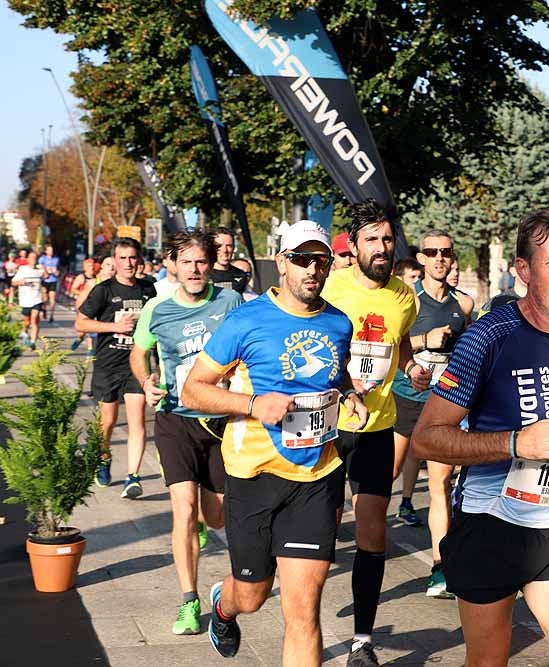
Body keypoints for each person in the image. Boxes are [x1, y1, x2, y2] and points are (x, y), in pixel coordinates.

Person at [412, 209, 549, 667]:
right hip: (492, 523)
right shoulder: (489, 337)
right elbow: (428, 440)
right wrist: (515, 444)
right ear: (523, 270)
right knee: (487, 661)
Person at [180, 219, 368, 664]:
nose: (312, 269)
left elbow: (332, 374)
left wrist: (350, 395)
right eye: (302, 259)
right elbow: (193, 389)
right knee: (253, 594)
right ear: (282, 262)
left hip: (315, 475)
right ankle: (224, 607)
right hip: (254, 477)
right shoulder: (246, 321)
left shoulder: (339, 323)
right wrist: (252, 404)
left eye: (320, 260)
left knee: (304, 613)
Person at [320, 200, 428, 667]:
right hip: (325, 426)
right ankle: (304, 621)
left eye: (387, 239)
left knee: (372, 533)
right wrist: (343, 384)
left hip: (378, 426)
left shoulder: (406, 296)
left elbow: (398, 343)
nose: (382, 248)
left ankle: (362, 640)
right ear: (354, 245)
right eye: (372, 240)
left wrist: (413, 368)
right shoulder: (330, 286)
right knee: (322, 533)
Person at [130, 231, 244, 636]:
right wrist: (146, 382)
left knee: (214, 517)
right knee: (182, 508)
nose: (195, 270)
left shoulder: (229, 302)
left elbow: (245, 348)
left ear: (210, 264)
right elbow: (138, 352)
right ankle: (189, 602)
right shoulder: (157, 309)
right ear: (172, 265)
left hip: (217, 422)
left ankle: (199, 522)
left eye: (201, 262)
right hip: (174, 418)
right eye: (187, 262)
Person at [391, 231, 474, 598]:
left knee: (441, 485)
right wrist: (425, 343)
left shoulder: (465, 304)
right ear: (421, 259)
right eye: (432, 253)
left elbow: (470, 350)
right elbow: (391, 344)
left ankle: (440, 569)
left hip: (441, 405)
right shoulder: (407, 299)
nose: (440, 258)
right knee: (386, 475)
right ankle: (366, 543)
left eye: (446, 252)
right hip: (404, 399)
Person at [76, 238, 156, 497]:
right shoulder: (104, 290)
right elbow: (81, 323)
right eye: (123, 258)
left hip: (137, 365)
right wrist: (114, 327)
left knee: (137, 422)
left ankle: (132, 477)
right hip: (108, 364)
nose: (129, 263)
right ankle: (103, 457)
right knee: (107, 421)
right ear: (115, 261)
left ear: (139, 260)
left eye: (133, 257)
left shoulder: (149, 289)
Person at [69, 258, 100, 352]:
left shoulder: (97, 277)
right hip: (82, 305)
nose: (91, 268)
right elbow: (73, 289)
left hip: (94, 305)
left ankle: (90, 350)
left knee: (92, 328)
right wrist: (84, 293)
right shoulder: (81, 277)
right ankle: (80, 339)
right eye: (89, 266)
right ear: (85, 268)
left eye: (92, 266)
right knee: (83, 330)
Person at [13, 258, 45, 350]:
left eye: (35, 258)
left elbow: (47, 277)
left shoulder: (40, 269)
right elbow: (13, 282)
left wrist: (44, 269)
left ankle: (33, 342)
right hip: (25, 299)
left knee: (34, 319)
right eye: (32, 258)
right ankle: (24, 332)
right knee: (26, 321)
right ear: (28, 260)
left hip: (37, 298)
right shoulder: (23, 269)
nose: (34, 260)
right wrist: (20, 282)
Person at [209, 227, 249, 294]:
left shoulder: (240, 276)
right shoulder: (203, 274)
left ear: (233, 248)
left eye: (229, 246)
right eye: (219, 246)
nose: (225, 250)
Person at [38, 244, 61, 322]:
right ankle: (44, 309)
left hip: (53, 280)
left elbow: (58, 270)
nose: (51, 251)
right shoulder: (42, 259)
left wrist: (57, 272)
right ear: (46, 251)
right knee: (44, 298)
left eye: (52, 250)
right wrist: (45, 272)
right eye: (49, 250)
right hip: (45, 281)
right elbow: (40, 267)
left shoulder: (56, 259)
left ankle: (51, 315)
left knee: (52, 298)